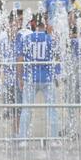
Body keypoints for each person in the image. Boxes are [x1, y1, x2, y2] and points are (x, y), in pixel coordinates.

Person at [18, 14, 59, 146]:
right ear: (45, 24)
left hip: (30, 78)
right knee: (52, 109)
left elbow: (20, 59)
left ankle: (22, 139)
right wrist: (57, 75)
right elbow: (56, 59)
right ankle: (53, 139)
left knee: (26, 109)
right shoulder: (50, 39)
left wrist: (20, 77)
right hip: (47, 78)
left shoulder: (27, 38)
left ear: (34, 23)